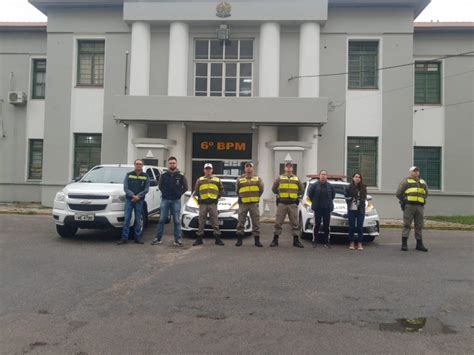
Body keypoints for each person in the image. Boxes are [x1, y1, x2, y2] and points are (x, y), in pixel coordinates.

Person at [151, 156, 188, 247]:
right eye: (170, 163)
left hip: (176, 200)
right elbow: (160, 186)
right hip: (165, 199)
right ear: (168, 164)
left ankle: (178, 239)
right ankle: (157, 238)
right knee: (162, 219)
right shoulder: (163, 174)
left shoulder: (181, 174)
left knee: (176, 221)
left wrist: (178, 194)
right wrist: (165, 193)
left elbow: (186, 187)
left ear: (176, 163)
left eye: (173, 163)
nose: (172, 164)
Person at [271, 162, 305, 248]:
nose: (289, 168)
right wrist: (280, 194)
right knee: (278, 222)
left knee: (295, 223)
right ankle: (275, 240)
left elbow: (302, 190)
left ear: (292, 169)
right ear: (284, 168)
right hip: (282, 203)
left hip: (293, 204)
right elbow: (274, 189)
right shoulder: (280, 178)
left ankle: (296, 241)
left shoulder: (296, 178)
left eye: (290, 167)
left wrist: (296, 195)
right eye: (287, 166)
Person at [396, 166, 429, 252]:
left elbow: (426, 193)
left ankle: (419, 244)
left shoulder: (422, 182)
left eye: (417, 171)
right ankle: (404, 244)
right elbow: (398, 193)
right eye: (414, 171)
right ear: (410, 172)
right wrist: (404, 201)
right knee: (407, 224)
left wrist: (422, 200)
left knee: (419, 225)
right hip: (409, 206)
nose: (416, 172)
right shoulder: (406, 181)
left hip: (419, 206)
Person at [118, 159, 150, 245]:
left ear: (142, 165)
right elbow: (125, 188)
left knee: (138, 219)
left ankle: (137, 238)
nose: (138, 165)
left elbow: (146, 189)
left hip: (139, 200)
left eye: (140, 164)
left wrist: (138, 196)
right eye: (137, 164)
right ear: (134, 165)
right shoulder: (129, 175)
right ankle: (124, 238)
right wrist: (133, 196)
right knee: (127, 219)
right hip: (129, 200)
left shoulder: (146, 176)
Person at [193, 163, 225, 246]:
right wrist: (199, 199)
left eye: (209, 169)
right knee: (201, 221)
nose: (208, 170)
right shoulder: (199, 180)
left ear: (212, 170)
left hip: (213, 204)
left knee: (215, 221)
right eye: (206, 169)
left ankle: (217, 239)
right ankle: (199, 239)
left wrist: (216, 198)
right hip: (203, 203)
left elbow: (222, 190)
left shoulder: (217, 180)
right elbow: (196, 191)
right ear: (204, 170)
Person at [235, 162, 264, 247]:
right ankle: (239, 240)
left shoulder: (257, 179)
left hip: (254, 204)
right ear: (244, 169)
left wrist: (256, 197)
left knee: (256, 222)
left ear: (252, 168)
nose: (248, 168)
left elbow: (261, 190)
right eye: (247, 166)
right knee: (241, 221)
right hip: (243, 204)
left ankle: (257, 240)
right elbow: (237, 190)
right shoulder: (239, 179)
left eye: (250, 167)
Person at [307, 170, 335, 248]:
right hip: (317, 208)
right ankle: (314, 241)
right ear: (319, 176)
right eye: (322, 174)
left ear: (327, 176)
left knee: (327, 226)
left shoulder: (330, 186)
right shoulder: (314, 185)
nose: (323, 176)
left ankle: (326, 241)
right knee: (317, 225)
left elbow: (333, 195)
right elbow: (310, 195)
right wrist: (315, 202)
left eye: (325, 174)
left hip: (327, 208)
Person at [344, 173, 367, 250]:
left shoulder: (363, 187)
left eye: (359, 177)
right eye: (356, 177)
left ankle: (360, 243)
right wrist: (350, 199)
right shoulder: (349, 187)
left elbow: (365, 197)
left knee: (360, 227)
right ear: (353, 178)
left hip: (360, 210)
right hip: (352, 209)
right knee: (352, 227)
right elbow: (345, 197)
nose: (357, 178)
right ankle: (352, 242)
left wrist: (361, 200)